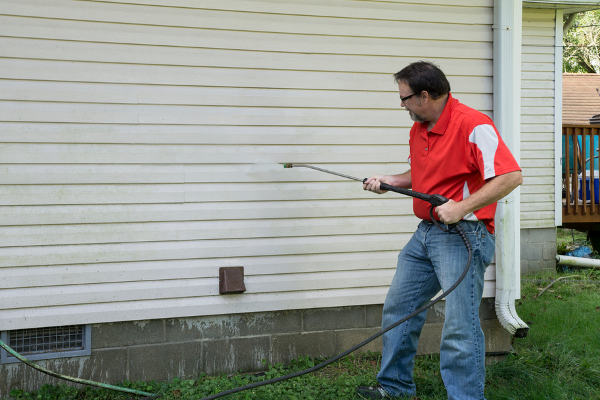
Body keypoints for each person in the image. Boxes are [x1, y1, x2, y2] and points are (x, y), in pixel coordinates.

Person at [357, 61, 522, 400]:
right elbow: (423, 175)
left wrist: (461, 207)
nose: (401, 104)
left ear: (425, 95)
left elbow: (510, 177)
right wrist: (391, 181)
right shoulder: (420, 127)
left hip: (463, 237)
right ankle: (395, 386)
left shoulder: (474, 125)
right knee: (399, 308)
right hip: (426, 234)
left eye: (404, 98)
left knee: (460, 327)